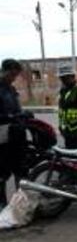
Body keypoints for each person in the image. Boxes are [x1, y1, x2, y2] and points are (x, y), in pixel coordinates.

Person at [0, 59, 27, 208]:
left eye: (16, 75)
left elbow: (16, 109)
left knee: (20, 170)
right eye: (12, 74)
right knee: (2, 173)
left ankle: (19, 204)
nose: (14, 78)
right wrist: (11, 117)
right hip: (2, 136)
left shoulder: (11, 89)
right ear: (4, 71)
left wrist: (23, 114)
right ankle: (2, 204)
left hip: (16, 134)